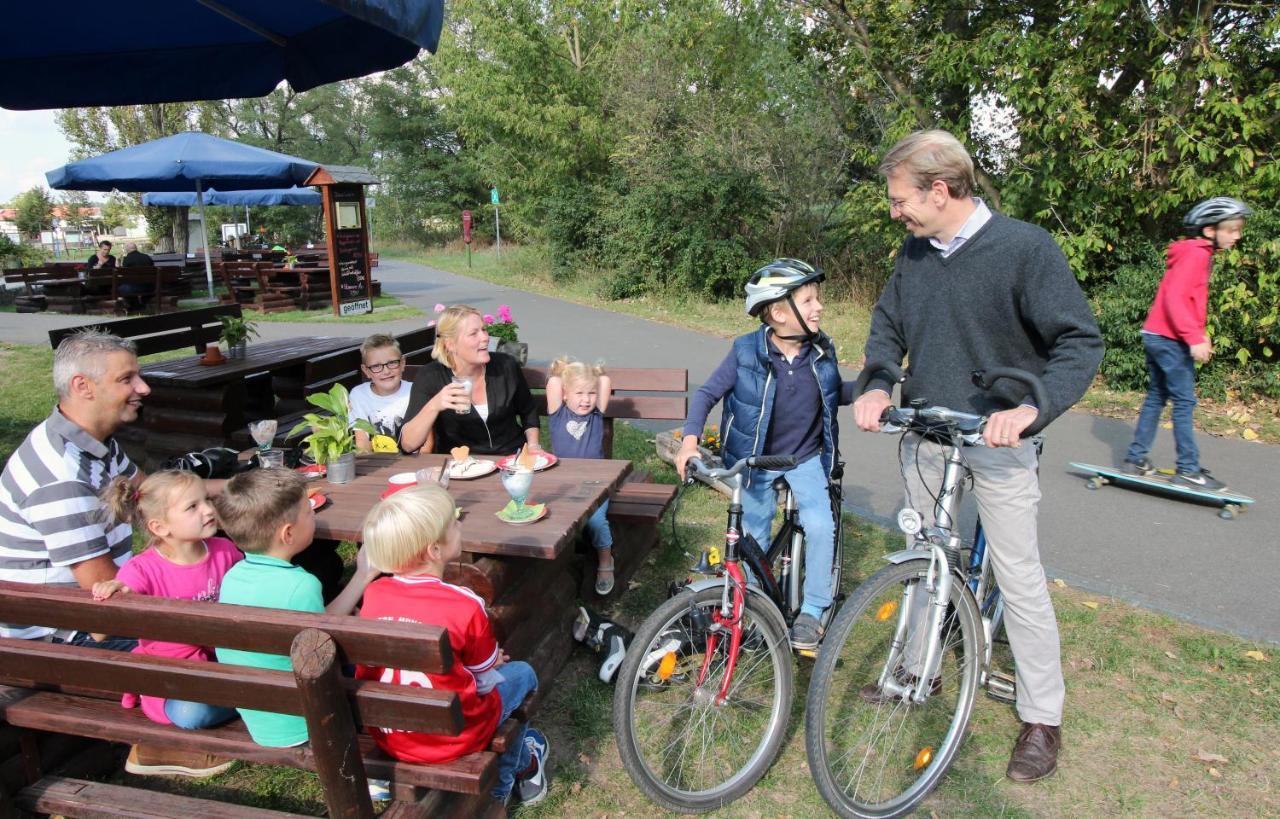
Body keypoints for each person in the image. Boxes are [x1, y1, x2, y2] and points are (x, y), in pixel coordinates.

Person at [852, 129, 1103, 783]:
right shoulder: (915, 253)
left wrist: (1030, 409)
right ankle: (918, 670)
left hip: (999, 443)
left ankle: (1042, 716)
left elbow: (1079, 341)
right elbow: (887, 324)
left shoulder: (1023, 249)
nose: (894, 210)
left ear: (941, 190)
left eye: (901, 197)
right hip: (930, 433)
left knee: (1018, 574)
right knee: (922, 558)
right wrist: (879, 381)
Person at [675, 259, 855, 651]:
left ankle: (813, 609)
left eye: (817, 299)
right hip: (755, 460)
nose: (818, 307)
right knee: (753, 539)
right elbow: (707, 395)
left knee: (821, 526)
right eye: (808, 300)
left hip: (804, 458)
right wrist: (690, 441)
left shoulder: (821, 351)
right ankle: (752, 608)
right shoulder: (745, 351)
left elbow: (834, 390)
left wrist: (872, 389)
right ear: (777, 312)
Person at [355, 484, 550, 807]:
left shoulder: (374, 595)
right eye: (454, 523)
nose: (460, 526)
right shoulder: (465, 605)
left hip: (392, 735)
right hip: (454, 736)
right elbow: (484, 683)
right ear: (434, 550)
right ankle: (503, 787)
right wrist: (492, 665)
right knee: (524, 674)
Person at [0, 330, 148, 648]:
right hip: (55, 640)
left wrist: (235, 490)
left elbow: (150, 493)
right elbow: (105, 603)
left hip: (85, 617)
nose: (143, 388)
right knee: (215, 646)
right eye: (127, 379)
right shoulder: (62, 477)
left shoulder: (90, 440)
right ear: (82, 386)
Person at [212, 469, 379, 749]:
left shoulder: (233, 577)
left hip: (262, 718)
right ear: (288, 533)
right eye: (310, 513)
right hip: (309, 719)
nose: (315, 517)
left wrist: (360, 578)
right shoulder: (300, 586)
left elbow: (317, 625)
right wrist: (363, 577)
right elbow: (328, 649)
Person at [93, 471, 242, 738]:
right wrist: (117, 591)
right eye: (192, 507)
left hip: (225, 662)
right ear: (160, 527)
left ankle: (256, 698)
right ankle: (256, 701)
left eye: (207, 500)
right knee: (192, 713)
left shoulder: (224, 550)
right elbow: (106, 622)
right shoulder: (142, 569)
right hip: (173, 679)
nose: (209, 510)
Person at [1122, 197, 1251, 490]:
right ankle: (1189, 469)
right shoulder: (1196, 255)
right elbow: (1175, 299)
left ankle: (1135, 459)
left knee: (1157, 397)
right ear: (1209, 230)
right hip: (1170, 339)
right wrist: (1193, 337)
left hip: (1157, 333)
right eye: (1232, 229)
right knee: (1184, 402)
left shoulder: (1195, 252)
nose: (1237, 236)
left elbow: (1187, 299)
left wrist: (1200, 331)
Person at [400, 305, 542, 456]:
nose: (485, 337)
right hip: (461, 465)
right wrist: (435, 405)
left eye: (484, 329)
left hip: (511, 459)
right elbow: (408, 445)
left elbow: (528, 411)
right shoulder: (431, 376)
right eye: (474, 333)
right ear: (450, 344)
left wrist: (533, 445)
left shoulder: (505, 365)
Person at [546, 357, 616, 593]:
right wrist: (564, 370)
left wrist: (594, 373)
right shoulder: (558, 413)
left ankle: (606, 560)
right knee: (550, 514)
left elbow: (605, 380)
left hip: (595, 480)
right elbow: (554, 383)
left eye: (591, 393)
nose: (586, 400)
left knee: (596, 521)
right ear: (565, 394)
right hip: (563, 480)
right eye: (579, 393)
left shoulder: (596, 414)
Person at [349, 333, 413, 453]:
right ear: (366, 371)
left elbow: (426, 445)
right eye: (376, 366)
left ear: (403, 363)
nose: (386, 371)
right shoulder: (358, 395)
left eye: (392, 363)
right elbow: (362, 442)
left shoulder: (414, 391)